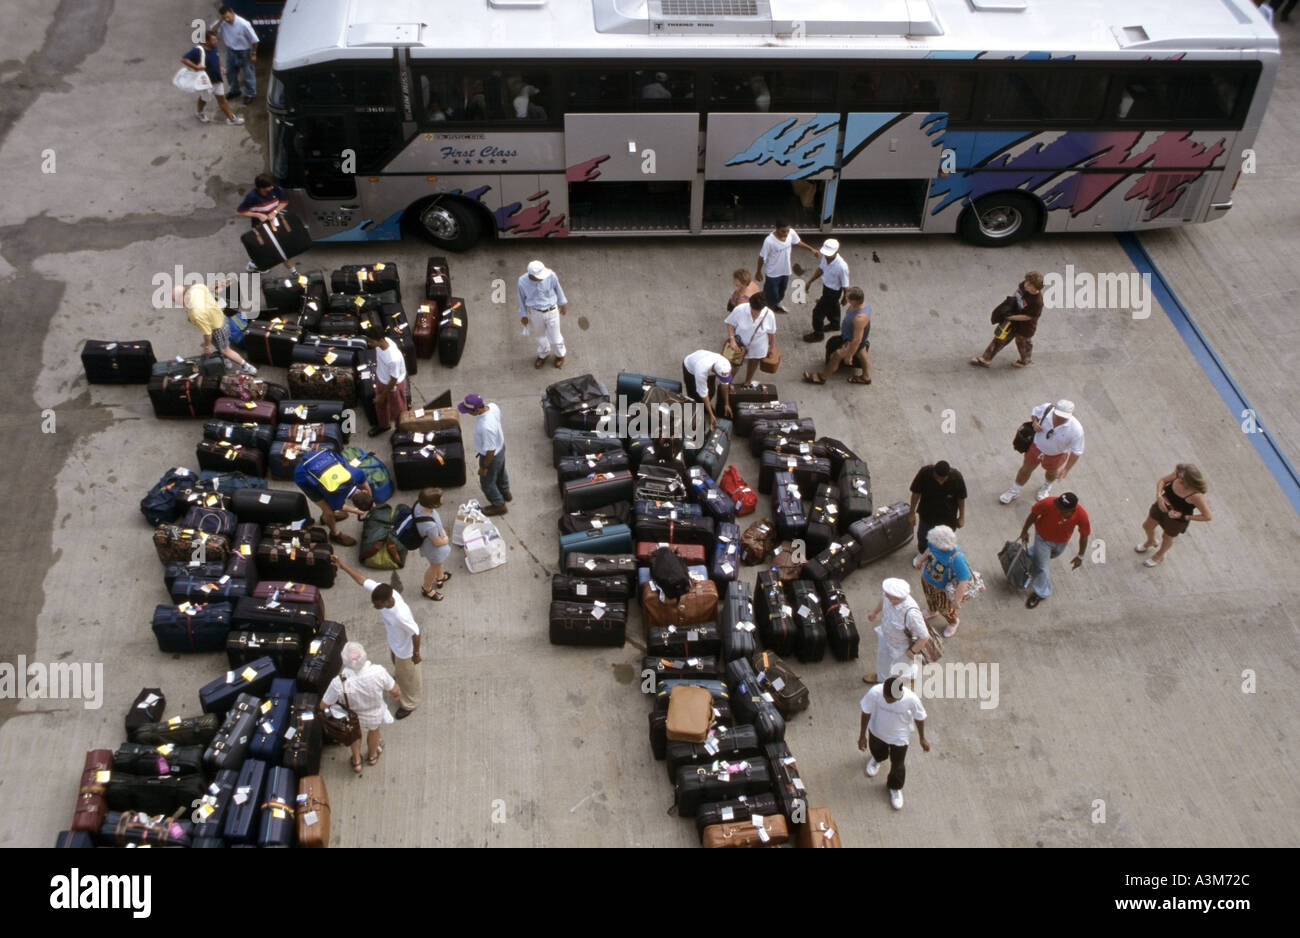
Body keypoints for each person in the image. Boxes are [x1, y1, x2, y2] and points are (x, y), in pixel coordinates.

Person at [334, 558, 422, 720]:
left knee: (409, 678)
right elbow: (362, 580)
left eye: (378, 604)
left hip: (405, 652)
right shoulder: (384, 591)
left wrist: (416, 653)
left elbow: (416, 632)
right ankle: (400, 676)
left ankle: (410, 704)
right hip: (395, 644)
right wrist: (343, 565)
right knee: (400, 672)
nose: (375, 606)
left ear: (388, 601)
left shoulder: (401, 614)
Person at [320, 641, 401, 774]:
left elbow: (324, 705)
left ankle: (357, 761)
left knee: (355, 735)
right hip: (374, 712)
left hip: (352, 716)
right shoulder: (378, 672)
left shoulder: (338, 682)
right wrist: (397, 696)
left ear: (345, 661)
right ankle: (372, 756)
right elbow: (395, 691)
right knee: (374, 731)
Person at [858, 674, 930, 811]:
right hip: (877, 731)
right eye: (885, 696)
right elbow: (866, 712)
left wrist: (922, 738)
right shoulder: (875, 692)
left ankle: (895, 787)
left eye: (889, 699)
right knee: (877, 750)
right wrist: (862, 735)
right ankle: (877, 759)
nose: (885, 699)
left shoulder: (911, 699)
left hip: (899, 737)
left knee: (898, 764)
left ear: (898, 696)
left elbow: (919, 718)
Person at [999, 399, 1084, 504]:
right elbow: (1034, 413)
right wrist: (1035, 423)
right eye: (1057, 415)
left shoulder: (1076, 430)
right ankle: (1014, 490)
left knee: (1051, 472)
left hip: (1056, 455)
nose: (1059, 419)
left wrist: (1066, 469)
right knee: (1025, 469)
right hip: (1036, 447)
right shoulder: (1046, 408)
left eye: (1063, 417)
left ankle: (1047, 486)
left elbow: (1077, 451)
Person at [1018, 492, 1090, 609]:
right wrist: (1024, 531)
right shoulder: (1048, 503)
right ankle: (1041, 592)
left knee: (1048, 556)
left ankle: (1027, 556)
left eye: (1062, 509)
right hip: (1042, 538)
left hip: (1061, 542)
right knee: (1042, 567)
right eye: (1058, 505)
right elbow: (1034, 514)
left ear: (1072, 510)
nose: (1057, 509)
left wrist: (1080, 556)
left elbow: (1084, 535)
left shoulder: (1082, 516)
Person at [292, 449, 375, 546]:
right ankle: (334, 533)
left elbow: (366, 486)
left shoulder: (358, 474)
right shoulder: (337, 499)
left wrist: (370, 500)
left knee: (327, 491)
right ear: (354, 504)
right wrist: (356, 511)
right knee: (328, 510)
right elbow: (341, 506)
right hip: (303, 474)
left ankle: (326, 518)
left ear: (363, 492)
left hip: (319, 456)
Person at [173, 282, 256, 375]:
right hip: (222, 318)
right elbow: (210, 291)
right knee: (222, 346)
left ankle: (247, 367)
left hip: (217, 329)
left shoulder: (195, 313)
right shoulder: (197, 287)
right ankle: (226, 361)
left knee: (226, 350)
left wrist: (207, 346)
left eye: (175, 301)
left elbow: (208, 333)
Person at [1137, 464, 1212, 567]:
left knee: (1166, 537)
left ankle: (1159, 555)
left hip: (1176, 519)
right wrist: (1159, 496)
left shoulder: (1196, 495)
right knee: (1147, 525)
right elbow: (1162, 481)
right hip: (1161, 506)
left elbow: (1207, 516)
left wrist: (1183, 516)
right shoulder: (1178, 475)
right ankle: (1151, 541)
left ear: (1189, 480)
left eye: (1181, 477)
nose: (1177, 476)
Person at [863, 579, 929, 687]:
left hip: (902, 646)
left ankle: (911, 678)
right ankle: (881, 678)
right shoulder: (888, 596)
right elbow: (883, 600)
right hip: (886, 636)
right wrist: (875, 612)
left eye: (888, 595)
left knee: (903, 667)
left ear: (897, 598)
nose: (885, 595)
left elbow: (925, 636)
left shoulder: (912, 614)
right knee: (882, 658)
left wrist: (912, 651)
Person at [971, 272, 1045, 368]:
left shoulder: (1037, 302)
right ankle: (986, 359)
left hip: (1025, 327)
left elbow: (1028, 317)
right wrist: (1010, 303)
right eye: (1027, 282)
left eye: (1029, 284)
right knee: (1000, 338)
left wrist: (1010, 317)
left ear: (1035, 288)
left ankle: (1025, 360)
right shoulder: (1025, 285)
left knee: (1023, 343)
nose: (1026, 285)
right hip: (1013, 317)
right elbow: (1018, 291)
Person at [803, 286, 870, 385]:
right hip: (853, 337)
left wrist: (849, 355)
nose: (845, 298)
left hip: (851, 341)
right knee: (862, 353)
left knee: (837, 355)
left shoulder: (859, 318)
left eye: (847, 297)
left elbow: (857, 340)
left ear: (854, 301)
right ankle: (866, 377)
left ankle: (822, 377)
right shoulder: (863, 305)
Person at [913, 525, 972, 638]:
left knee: (945, 608)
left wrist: (956, 600)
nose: (932, 545)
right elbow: (929, 550)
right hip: (927, 579)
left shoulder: (956, 557)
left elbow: (964, 580)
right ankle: (932, 610)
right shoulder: (934, 543)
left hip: (942, 588)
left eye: (935, 544)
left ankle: (953, 622)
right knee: (929, 598)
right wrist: (920, 560)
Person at [236, 174, 301, 276]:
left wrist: (274, 212)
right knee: (271, 248)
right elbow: (240, 212)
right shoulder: (252, 197)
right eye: (269, 187)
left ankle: (293, 272)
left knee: (281, 248)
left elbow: (284, 202)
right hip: (261, 228)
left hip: (275, 223)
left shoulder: (275, 189)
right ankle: (254, 264)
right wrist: (258, 215)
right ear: (261, 188)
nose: (272, 188)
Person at [459, 393, 511, 516]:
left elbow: (490, 451)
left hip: (491, 456)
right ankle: (505, 492)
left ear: (476, 410)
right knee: (501, 470)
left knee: (487, 483)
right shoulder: (493, 406)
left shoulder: (486, 427)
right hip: (501, 447)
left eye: (468, 411)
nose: (467, 413)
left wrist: (484, 467)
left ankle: (499, 505)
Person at [179, 29, 244, 126]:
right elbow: (184, 59)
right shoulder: (198, 50)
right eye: (213, 40)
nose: (216, 41)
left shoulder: (214, 47)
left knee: (222, 100)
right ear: (206, 41)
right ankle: (199, 113)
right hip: (206, 82)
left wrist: (221, 67)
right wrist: (196, 67)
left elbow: (216, 58)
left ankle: (231, 118)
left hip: (217, 79)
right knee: (204, 98)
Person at [753, 220, 818, 313]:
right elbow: (762, 257)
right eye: (783, 231)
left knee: (781, 293)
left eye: (787, 230)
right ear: (777, 229)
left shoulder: (791, 233)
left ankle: (774, 305)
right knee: (772, 294)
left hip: (785, 271)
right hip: (772, 274)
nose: (786, 233)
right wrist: (758, 271)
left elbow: (798, 242)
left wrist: (812, 249)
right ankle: (764, 308)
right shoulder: (769, 241)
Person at [518, 259, 569, 369]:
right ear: (531, 275)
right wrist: (523, 315)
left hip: (552, 311)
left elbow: (558, 289)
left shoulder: (551, 275)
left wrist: (563, 303)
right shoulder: (522, 281)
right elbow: (521, 299)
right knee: (540, 336)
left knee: (556, 338)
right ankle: (544, 353)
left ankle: (560, 355)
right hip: (535, 313)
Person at [909, 461, 967, 556]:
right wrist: (911, 514)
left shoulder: (957, 478)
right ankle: (923, 555)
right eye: (937, 478)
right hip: (927, 514)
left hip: (948, 517)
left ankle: (940, 557)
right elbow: (916, 493)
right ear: (933, 472)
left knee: (945, 540)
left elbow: (961, 498)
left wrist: (961, 517)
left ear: (948, 475)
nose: (940, 481)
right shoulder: (925, 473)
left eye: (943, 479)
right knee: (923, 537)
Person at [363, 321, 408, 437]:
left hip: (393, 385)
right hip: (382, 378)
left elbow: (393, 380)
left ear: (380, 340)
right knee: (380, 406)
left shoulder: (393, 358)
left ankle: (401, 428)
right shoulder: (382, 344)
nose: (369, 343)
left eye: (370, 341)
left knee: (398, 409)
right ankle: (384, 425)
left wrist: (382, 396)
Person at [802, 239, 850, 343]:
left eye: (829, 254)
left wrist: (845, 297)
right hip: (827, 287)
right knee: (833, 306)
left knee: (817, 313)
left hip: (833, 292)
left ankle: (818, 334)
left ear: (836, 252)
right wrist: (810, 281)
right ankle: (835, 324)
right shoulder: (825, 257)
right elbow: (821, 269)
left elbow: (845, 285)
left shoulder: (842, 267)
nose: (827, 257)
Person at [723, 295, 777, 386]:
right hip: (739, 344)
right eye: (754, 311)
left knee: (753, 363)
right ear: (750, 305)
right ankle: (728, 383)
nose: (756, 314)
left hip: (758, 346)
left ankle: (747, 382)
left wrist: (771, 348)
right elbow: (730, 324)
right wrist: (732, 340)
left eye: (758, 312)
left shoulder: (769, 315)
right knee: (734, 365)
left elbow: (771, 333)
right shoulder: (740, 310)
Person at [212, 4, 259, 104]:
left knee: (248, 74)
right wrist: (220, 21)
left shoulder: (243, 24)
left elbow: (254, 40)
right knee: (230, 73)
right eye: (224, 18)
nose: (227, 19)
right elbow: (213, 31)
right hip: (230, 51)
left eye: (228, 17)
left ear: (232, 12)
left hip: (244, 52)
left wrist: (254, 53)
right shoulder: (223, 22)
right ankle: (234, 91)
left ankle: (250, 94)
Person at [414, 487, 452, 600]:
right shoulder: (429, 525)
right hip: (433, 548)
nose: (443, 499)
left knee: (438, 564)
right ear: (433, 505)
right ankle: (426, 588)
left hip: (429, 544)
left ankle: (440, 577)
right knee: (434, 567)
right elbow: (437, 542)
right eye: (440, 499)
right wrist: (445, 539)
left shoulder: (419, 505)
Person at [681, 349, 734, 428]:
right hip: (690, 368)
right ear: (715, 371)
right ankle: (697, 410)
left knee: (711, 391)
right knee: (695, 395)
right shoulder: (701, 371)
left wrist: (727, 404)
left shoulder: (724, 363)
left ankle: (705, 407)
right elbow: (703, 393)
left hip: (705, 361)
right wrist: (711, 415)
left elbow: (725, 385)